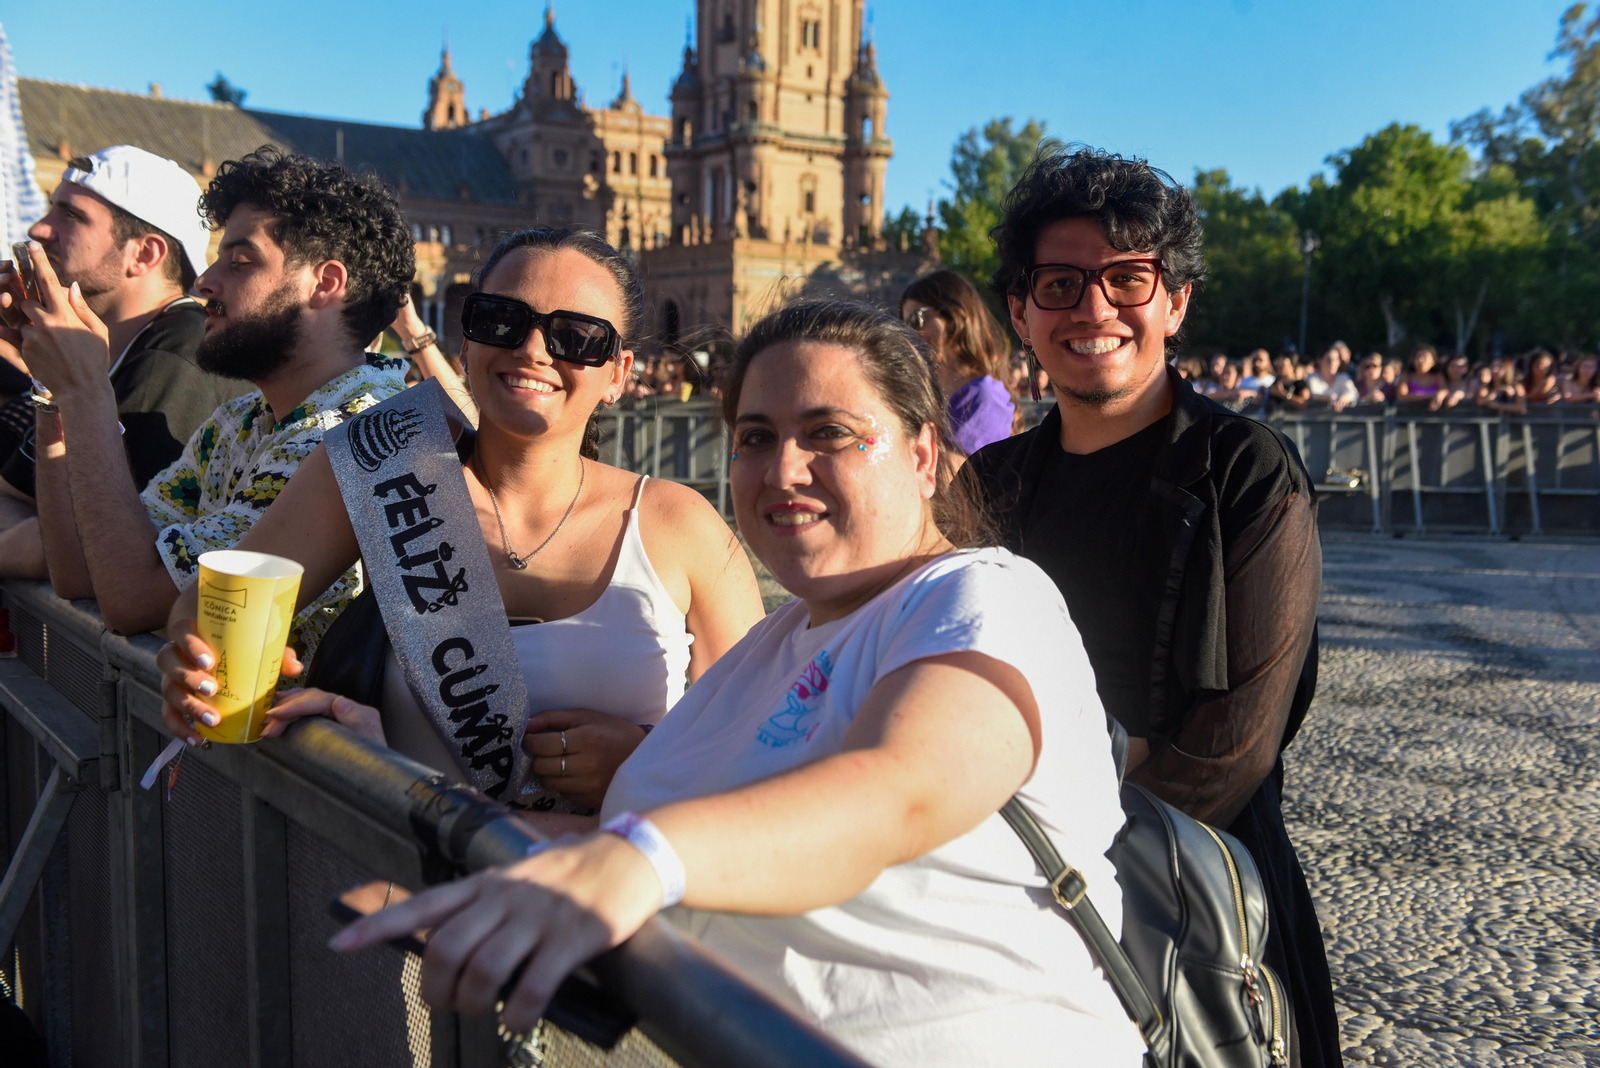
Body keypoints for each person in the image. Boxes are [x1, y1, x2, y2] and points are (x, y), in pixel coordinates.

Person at [330, 299, 1144, 1066]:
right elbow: (621, 838)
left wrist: (636, 863)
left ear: (923, 454)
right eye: (756, 437)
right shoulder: (772, 645)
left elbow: (900, 793)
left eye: (829, 432)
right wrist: (388, 784)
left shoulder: (983, 596)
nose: (784, 468)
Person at [156, 228, 766, 811]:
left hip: (600, 905)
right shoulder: (376, 467)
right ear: (466, 340)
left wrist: (644, 760)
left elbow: (763, 746)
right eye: (502, 320)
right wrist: (192, 659)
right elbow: (204, 611)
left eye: (577, 336)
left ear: (618, 373)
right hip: (406, 891)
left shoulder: (681, 525)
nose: (533, 350)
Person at [965, 144, 1341, 1067]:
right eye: (1059, 284)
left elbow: (1233, 748)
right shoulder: (989, 484)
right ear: (1020, 312)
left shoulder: (1245, 473)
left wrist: (1058, 811)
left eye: (1127, 278)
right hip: (1010, 901)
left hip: (1195, 899)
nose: (1094, 308)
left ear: (1174, 302)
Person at [9, 148, 413, 649]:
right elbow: (79, 574)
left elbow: (131, 599)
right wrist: (56, 389)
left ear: (325, 284)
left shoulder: (358, 430)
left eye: (240, 262)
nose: (204, 281)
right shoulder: (238, 422)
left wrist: (86, 390)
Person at [0, 145, 247, 566]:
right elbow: (12, 498)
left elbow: (94, 555)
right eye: (50, 209)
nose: (40, 229)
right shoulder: (103, 350)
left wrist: (36, 542)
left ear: (144, 254)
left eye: (71, 216)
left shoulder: (175, 354)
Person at [901, 269, 1016, 453]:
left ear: (954, 315)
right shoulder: (925, 396)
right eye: (905, 326)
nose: (912, 334)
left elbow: (953, 477)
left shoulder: (986, 398)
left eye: (917, 319)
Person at [1304, 345, 1359, 411]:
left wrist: (1343, 399)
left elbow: (1353, 393)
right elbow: (1314, 395)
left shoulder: (1344, 377)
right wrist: (1328, 398)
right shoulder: (1312, 377)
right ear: (1319, 360)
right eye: (1329, 360)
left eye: (1336, 360)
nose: (1332, 363)